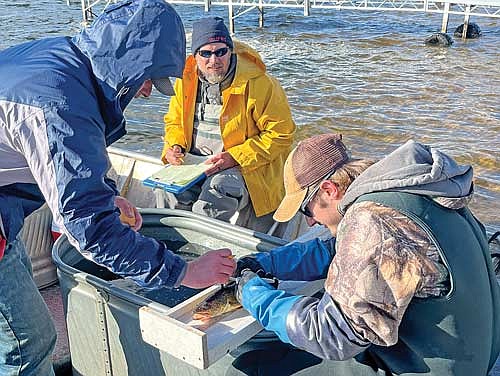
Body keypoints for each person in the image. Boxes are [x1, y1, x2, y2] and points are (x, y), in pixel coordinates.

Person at [0, 1, 236, 374]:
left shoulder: (64, 60)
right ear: (128, 61)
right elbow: (89, 231)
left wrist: (110, 194)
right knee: (28, 344)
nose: (146, 92)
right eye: (148, 78)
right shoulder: (62, 102)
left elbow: (73, 161)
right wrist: (186, 273)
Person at [234, 133, 500, 375]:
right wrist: (267, 264)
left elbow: (331, 335)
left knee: (253, 365)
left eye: (307, 210)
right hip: (476, 354)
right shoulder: (411, 191)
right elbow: (343, 249)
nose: (311, 222)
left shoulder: (372, 219)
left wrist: (253, 294)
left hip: (431, 367)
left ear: (329, 190)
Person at [161, 17, 296, 232]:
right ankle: (173, 247)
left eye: (220, 51)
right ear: (195, 56)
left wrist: (234, 157)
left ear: (230, 51)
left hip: (243, 166)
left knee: (217, 192)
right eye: (205, 53)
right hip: (194, 162)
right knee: (166, 189)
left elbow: (281, 134)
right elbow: (174, 121)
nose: (213, 59)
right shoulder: (184, 79)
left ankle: (203, 250)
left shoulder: (261, 84)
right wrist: (174, 146)